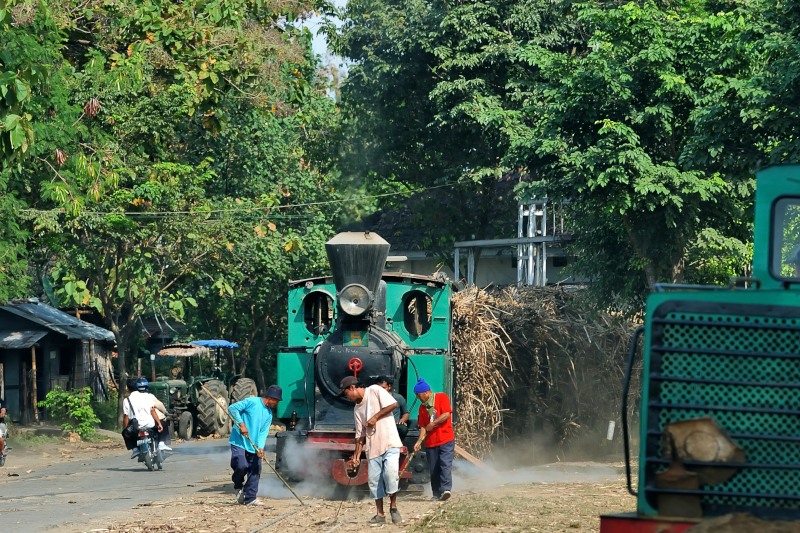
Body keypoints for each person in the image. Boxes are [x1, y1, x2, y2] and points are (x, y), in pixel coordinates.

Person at [341, 375, 404, 525]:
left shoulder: (374, 390)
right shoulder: (357, 409)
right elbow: (359, 435)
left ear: (352, 387)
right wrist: (356, 457)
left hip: (390, 442)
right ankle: (380, 514)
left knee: (390, 474)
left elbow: (393, 404)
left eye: (346, 393)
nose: (347, 397)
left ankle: (393, 507)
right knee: (374, 481)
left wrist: (375, 417)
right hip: (373, 447)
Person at [228, 384, 282, 507]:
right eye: (277, 401)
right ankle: (238, 486)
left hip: (254, 445)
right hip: (239, 441)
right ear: (271, 398)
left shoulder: (268, 414)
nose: (277, 403)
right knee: (241, 465)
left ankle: (250, 498)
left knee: (256, 468)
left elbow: (263, 432)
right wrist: (241, 424)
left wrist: (260, 447)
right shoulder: (252, 402)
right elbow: (232, 408)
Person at [412, 377, 455, 501]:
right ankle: (436, 493)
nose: (418, 397)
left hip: (445, 438)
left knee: (445, 464)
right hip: (431, 442)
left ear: (426, 392)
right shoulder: (422, 408)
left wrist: (434, 423)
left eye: (418, 395)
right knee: (433, 468)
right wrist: (419, 441)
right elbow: (423, 427)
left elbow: (446, 414)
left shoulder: (441, 397)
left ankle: (446, 489)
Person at [122, 377, 163, 459]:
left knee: (125, 433)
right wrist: (159, 423)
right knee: (157, 431)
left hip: (136, 426)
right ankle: (160, 444)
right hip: (150, 424)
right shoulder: (147, 396)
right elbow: (152, 411)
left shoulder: (127, 400)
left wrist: (126, 429)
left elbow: (126, 417)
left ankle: (135, 449)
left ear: (128, 389)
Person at [135, 380, 172, 451]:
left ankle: (136, 449)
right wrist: (165, 412)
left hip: (137, 423)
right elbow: (158, 406)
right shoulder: (149, 396)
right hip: (150, 422)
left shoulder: (132, 398)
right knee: (163, 422)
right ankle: (161, 443)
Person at [376, 375, 410, 440]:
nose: (381, 391)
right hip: (380, 424)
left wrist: (402, 420)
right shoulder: (375, 398)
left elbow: (406, 413)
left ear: (389, 387)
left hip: (395, 425)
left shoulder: (399, 398)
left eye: (383, 388)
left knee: (402, 428)